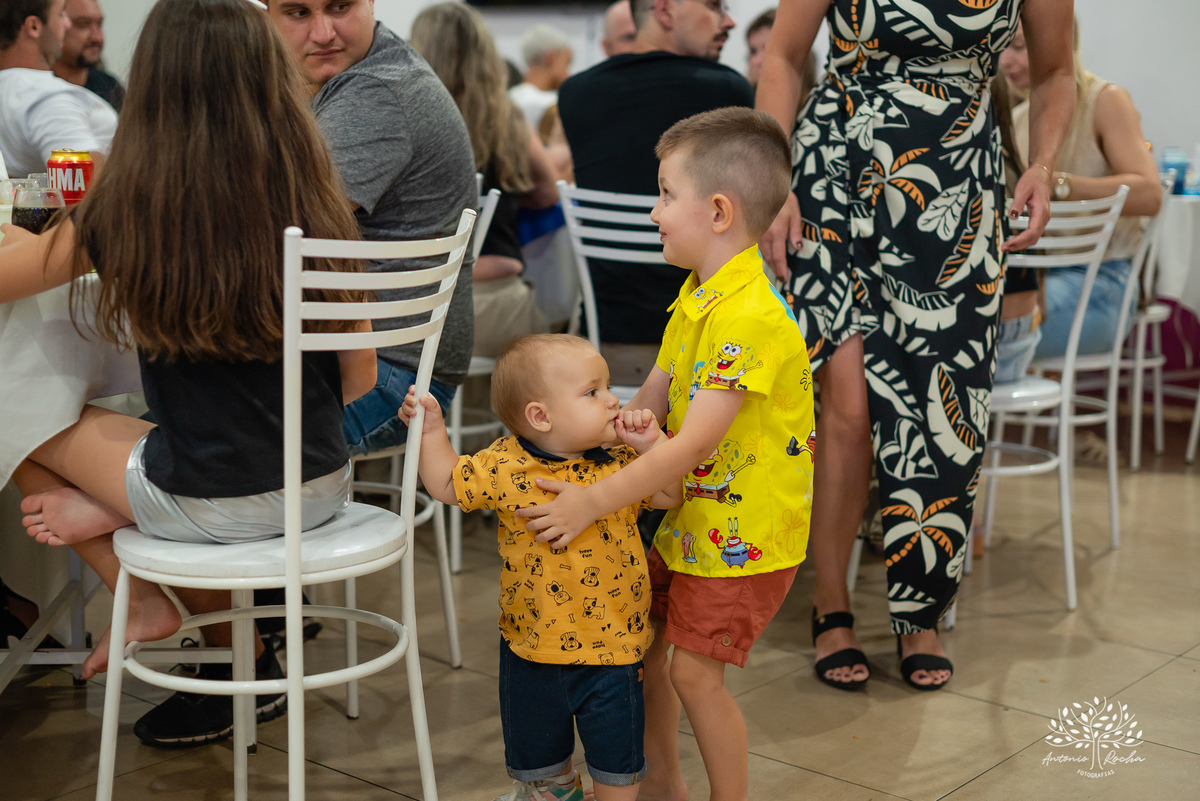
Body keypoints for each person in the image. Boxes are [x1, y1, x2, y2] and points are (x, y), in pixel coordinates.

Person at [3, 0, 375, 743]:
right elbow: (359, 377)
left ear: (152, 83)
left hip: (210, 502)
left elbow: (18, 276)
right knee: (172, 442)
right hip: (326, 487)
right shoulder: (313, 191)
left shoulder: (126, 206)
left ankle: (127, 576)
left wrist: (14, 219)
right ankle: (130, 526)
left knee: (17, 402)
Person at [756, 0, 1075, 692]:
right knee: (848, 407)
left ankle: (920, 612)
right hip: (836, 172)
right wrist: (773, 174)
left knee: (944, 404)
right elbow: (782, 57)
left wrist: (1044, 166)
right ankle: (831, 600)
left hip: (958, 184)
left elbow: (1055, 72)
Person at [517, 108, 813, 801]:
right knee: (642, 656)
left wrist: (592, 499)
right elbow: (655, 391)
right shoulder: (698, 296)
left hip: (746, 538)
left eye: (664, 194)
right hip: (692, 524)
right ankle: (663, 786)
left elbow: (696, 441)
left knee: (692, 673)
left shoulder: (750, 316)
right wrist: (598, 429)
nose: (653, 212)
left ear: (717, 211)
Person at [400, 334, 682, 801]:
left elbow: (671, 495)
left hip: (615, 650)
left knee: (617, 769)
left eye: (607, 386)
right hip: (531, 647)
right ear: (540, 416)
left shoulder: (621, 462)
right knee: (541, 766)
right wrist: (433, 432)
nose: (613, 399)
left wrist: (653, 445)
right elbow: (450, 484)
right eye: (592, 392)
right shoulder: (506, 465)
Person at [268, 0, 477, 452]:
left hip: (393, 377)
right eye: (298, 13)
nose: (323, 32)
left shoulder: (375, 91)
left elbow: (267, 236)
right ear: (266, 15)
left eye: (339, 6)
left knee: (167, 451)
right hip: (365, 356)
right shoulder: (346, 78)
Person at [557, 0, 750, 386]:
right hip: (712, 345)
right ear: (664, 11)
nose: (728, 20)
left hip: (609, 341)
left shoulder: (576, 93)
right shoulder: (728, 88)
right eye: (714, 6)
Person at [1000, 19, 1162, 364]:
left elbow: (1150, 194)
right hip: (1043, 280)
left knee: (986, 329)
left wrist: (1055, 184)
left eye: (1017, 46)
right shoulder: (1018, 118)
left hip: (1102, 283)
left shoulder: (1105, 100)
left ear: (1059, 42)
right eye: (1001, 48)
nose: (1005, 62)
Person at [410, 2, 558, 359]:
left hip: (427, 311)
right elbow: (548, 193)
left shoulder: (409, 118)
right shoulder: (508, 118)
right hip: (503, 308)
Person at [0, 0, 117, 178]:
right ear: (34, 26)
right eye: (61, 14)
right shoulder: (47, 97)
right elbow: (83, 200)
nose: (67, 24)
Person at [51, 0, 124, 111]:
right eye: (83, 24)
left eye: (99, 24)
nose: (97, 38)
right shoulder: (36, 88)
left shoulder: (111, 87)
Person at [509, 23, 572, 130]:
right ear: (551, 58)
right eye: (567, 64)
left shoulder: (508, 97)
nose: (569, 74)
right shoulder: (554, 105)